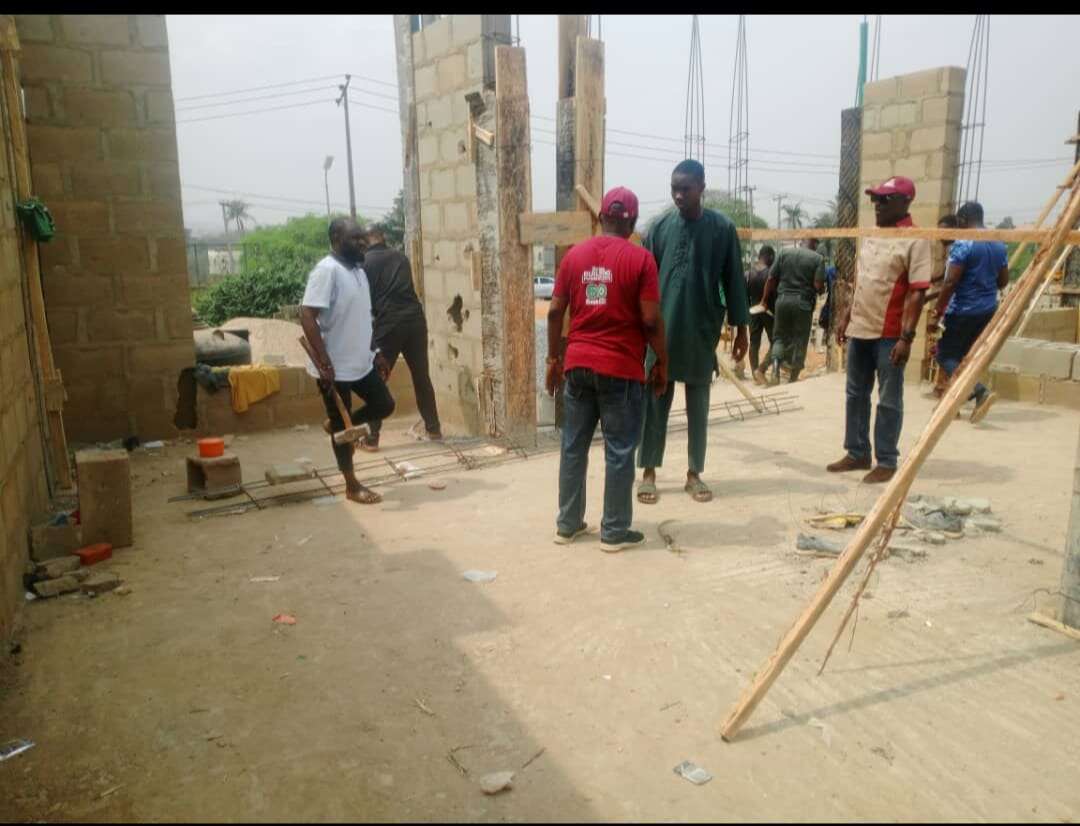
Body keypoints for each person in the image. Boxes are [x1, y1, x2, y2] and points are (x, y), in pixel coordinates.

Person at [546, 186, 668, 552]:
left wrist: (554, 359)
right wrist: (662, 360)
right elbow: (650, 319)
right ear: (631, 222)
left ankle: (567, 525)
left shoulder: (573, 256)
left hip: (578, 365)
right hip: (620, 368)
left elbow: (554, 312)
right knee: (618, 450)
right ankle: (613, 531)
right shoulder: (641, 259)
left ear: (601, 217)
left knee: (573, 447)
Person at [637, 159, 750, 505]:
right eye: (674, 188)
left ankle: (694, 473)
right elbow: (643, 286)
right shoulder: (657, 229)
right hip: (662, 333)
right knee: (655, 403)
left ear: (702, 186)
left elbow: (734, 282)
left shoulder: (722, 229)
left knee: (698, 405)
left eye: (685, 188)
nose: (678, 195)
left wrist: (741, 328)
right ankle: (649, 472)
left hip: (701, 329)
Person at [828, 176, 932, 484]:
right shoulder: (872, 235)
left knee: (888, 399)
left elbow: (917, 291)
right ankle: (857, 452)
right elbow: (862, 283)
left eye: (885, 200)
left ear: (905, 202)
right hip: (861, 328)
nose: (877, 205)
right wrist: (846, 316)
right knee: (855, 394)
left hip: (889, 335)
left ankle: (886, 459)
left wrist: (907, 337)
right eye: (875, 199)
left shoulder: (916, 239)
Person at [300, 217, 395, 505]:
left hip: (361, 361)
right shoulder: (326, 271)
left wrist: (376, 351)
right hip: (334, 367)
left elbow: (364, 317)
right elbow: (306, 315)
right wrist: (324, 361)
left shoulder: (359, 271)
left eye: (363, 237)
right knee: (344, 434)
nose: (363, 242)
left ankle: (338, 426)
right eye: (355, 239)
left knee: (385, 405)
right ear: (336, 240)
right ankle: (351, 485)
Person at [359, 225, 442, 450]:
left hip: (389, 324)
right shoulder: (401, 258)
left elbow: (365, 304)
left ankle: (372, 438)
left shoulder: (364, 263)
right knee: (421, 377)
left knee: (377, 379)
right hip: (415, 321)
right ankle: (433, 428)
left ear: (366, 242)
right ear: (382, 239)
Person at [928, 201, 1007, 423]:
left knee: (944, 354)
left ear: (962, 220)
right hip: (987, 310)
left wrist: (937, 313)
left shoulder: (963, 243)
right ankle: (953, 405)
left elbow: (951, 280)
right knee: (963, 357)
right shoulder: (998, 243)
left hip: (963, 310)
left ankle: (978, 390)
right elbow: (1003, 281)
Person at [756, 239, 826, 385]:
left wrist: (764, 300)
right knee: (800, 340)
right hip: (802, 304)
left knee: (779, 338)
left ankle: (775, 372)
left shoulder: (783, 253)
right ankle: (793, 378)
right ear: (814, 246)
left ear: (801, 243)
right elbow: (818, 285)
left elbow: (771, 279)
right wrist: (821, 289)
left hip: (782, 301)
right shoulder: (817, 259)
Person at [929, 214, 958, 398]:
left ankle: (960, 391)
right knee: (943, 349)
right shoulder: (951, 252)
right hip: (951, 308)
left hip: (954, 309)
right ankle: (943, 388)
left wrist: (934, 309)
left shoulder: (958, 250)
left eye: (943, 230)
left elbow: (950, 284)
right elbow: (946, 278)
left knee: (945, 353)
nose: (940, 235)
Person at [745, 245, 777, 385]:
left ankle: (754, 373)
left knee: (754, 342)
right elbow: (775, 294)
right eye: (773, 257)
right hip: (768, 311)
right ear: (769, 256)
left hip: (753, 311)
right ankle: (765, 368)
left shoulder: (748, 274)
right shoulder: (770, 273)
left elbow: (744, 296)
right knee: (775, 342)